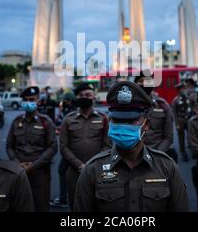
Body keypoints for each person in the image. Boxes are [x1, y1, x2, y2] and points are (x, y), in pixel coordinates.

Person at [74, 81, 189, 212]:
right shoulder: (92, 170)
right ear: (110, 122)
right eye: (117, 120)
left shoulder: (167, 167)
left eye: (131, 120)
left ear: (146, 125)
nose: (124, 126)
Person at [59, 82, 110, 210]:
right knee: (76, 205)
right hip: (74, 171)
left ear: (94, 97)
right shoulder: (68, 119)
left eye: (88, 95)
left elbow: (108, 145)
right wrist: (80, 165)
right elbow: (63, 146)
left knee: (99, 204)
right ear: (76, 98)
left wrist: (93, 164)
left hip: (98, 171)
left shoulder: (103, 118)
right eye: (81, 95)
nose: (85, 97)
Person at [6, 86, 57, 212]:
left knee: (40, 205)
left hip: (39, 173)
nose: (29, 102)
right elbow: (9, 146)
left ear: (39, 101)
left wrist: (33, 166)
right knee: (20, 204)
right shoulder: (16, 122)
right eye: (26, 100)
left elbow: (52, 147)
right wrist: (17, 163)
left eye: (32, 99)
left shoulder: (46, 122)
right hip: (18, 172)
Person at [134, 71, 176, 162]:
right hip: (133, 156)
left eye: (148, 80)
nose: (145, 83)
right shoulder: (128, 106)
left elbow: (168, 138)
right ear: (135, 85)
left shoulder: (163, 105)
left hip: (157, 155)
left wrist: (155, 155)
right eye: (141, 81)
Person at [50, 91, 77, 208]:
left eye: (65, 100)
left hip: (71, 149)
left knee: (63, 171)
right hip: (70, 147)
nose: (64, 102)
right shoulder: (68, 109)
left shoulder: (71, 110)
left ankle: (63, 199)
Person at [171, 80, 195, 161]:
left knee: (191, 136)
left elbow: (194, 107)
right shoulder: (175, 100)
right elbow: (174, 113)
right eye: (181, 89)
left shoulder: (189, 98)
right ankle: (183, 153)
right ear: (178, 90)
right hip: (180, 120)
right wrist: (176, 124)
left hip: (189, 119)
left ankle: (193, 151)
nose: (183, 90)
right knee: (181, 138)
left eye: (184, 88)